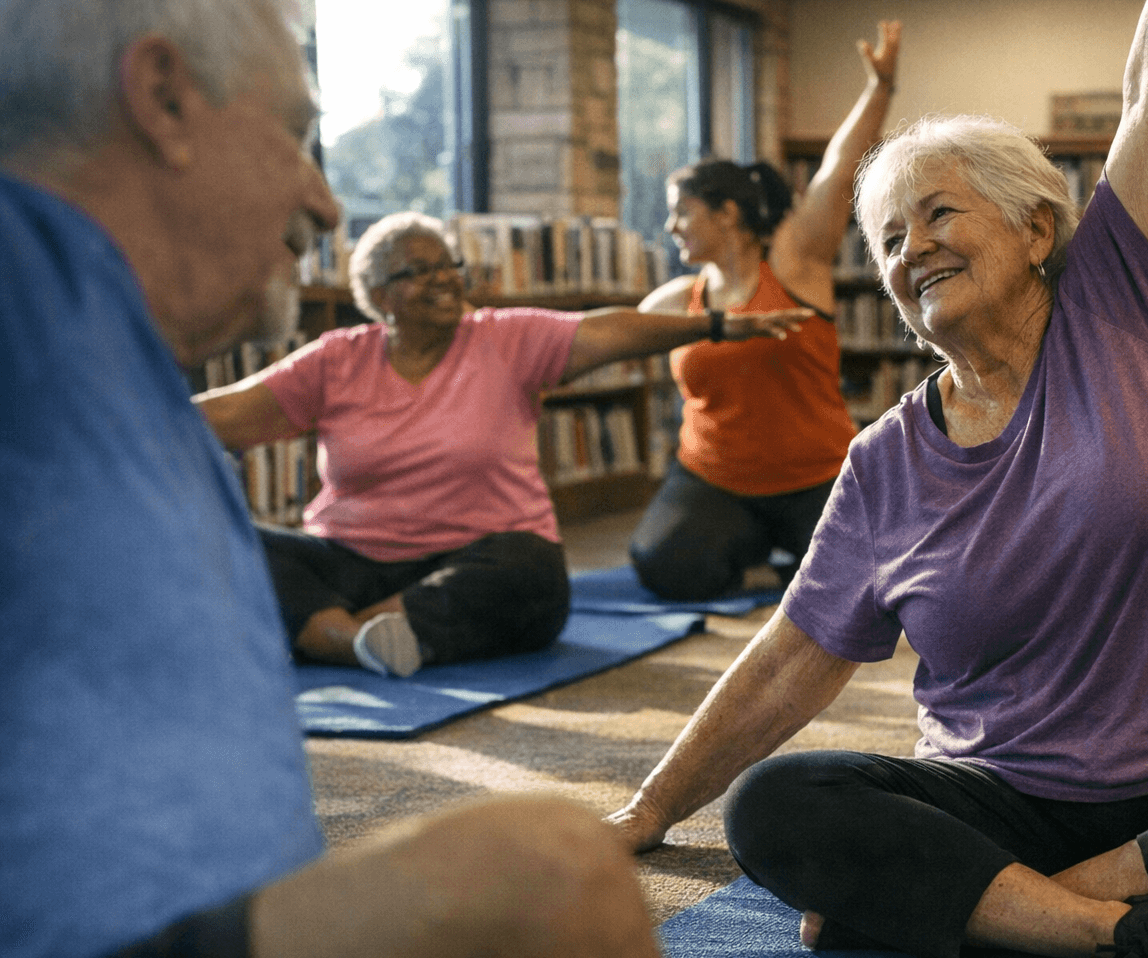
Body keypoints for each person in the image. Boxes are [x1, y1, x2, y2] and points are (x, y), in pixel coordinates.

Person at [608, 0, 1148, 958]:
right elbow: (790, 657)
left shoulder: (1128, 310)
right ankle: (1116, 933)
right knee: (777, 806)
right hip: (1015, 798)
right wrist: (646, 807)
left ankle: (994, 910)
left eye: (940, 213)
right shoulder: (884, 463)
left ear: (1039, 227)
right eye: (891, 239)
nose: (913, 250)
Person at [0, 0, 663, 958]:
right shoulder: (29, 286)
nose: (322, 203)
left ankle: (357, 631)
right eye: (299, 134)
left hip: (230, 902)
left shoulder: (125, 356)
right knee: (555, 877)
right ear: (165, 96)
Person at [195, 212, 810, 677]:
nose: (444, 279)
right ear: (380, 295)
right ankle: (367, 636)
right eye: (420, 270)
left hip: (478, 557)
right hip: (353, 556)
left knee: (533, 574)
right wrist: (114, 410)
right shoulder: (336, 361)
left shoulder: (503, 339)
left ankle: (336, 633)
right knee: (240, 543)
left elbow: (607, 331)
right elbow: (228, 413)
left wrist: (717, 324)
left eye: (448, 265)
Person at [626, 21, 901, 600]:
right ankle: (763, 564)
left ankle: (782, 566)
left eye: (683, 212)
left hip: (815, 478)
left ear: (726, 213)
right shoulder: (680, 301)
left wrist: (879, 90)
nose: (671, 226)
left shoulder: (796, 262)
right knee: (660, 564)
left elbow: (837, 166)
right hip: (714, 480)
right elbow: (607, 335)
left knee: (877, 579)